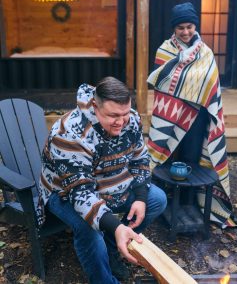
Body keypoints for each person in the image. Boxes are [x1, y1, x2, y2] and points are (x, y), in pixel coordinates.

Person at [36, 76, 167, 284]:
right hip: (64, 192)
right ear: (95, 105)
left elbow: (140, 158)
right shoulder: (69, 133)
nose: (122, 121)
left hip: (111, 184)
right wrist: (116, 226)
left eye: (125, 113)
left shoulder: (130, 119)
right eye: (114, 115)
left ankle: (113, 248)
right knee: (89, 228)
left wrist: (141, 197)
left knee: (156, 199)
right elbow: (80, 194)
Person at [147, 2, 237, 228]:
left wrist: (196, 94)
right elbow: (162, 81)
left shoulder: (206, 53)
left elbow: (211, 86)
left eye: (189, 26)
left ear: (195, 26)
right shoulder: (165, 50)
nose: (186, 32)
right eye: (181, 28)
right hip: (170, 116)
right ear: (174, 29)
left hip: (198, 118)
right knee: (165, 159)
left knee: (191, 159)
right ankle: (163, 203)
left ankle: (189, 203)